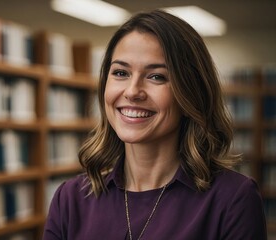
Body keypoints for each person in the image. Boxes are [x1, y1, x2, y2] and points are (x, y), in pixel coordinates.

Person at [43, 9, 267, 240]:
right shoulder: (71, 199)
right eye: (121, 72)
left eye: (156, 76)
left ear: (191, 92)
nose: (132, 92)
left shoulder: (233, 199)